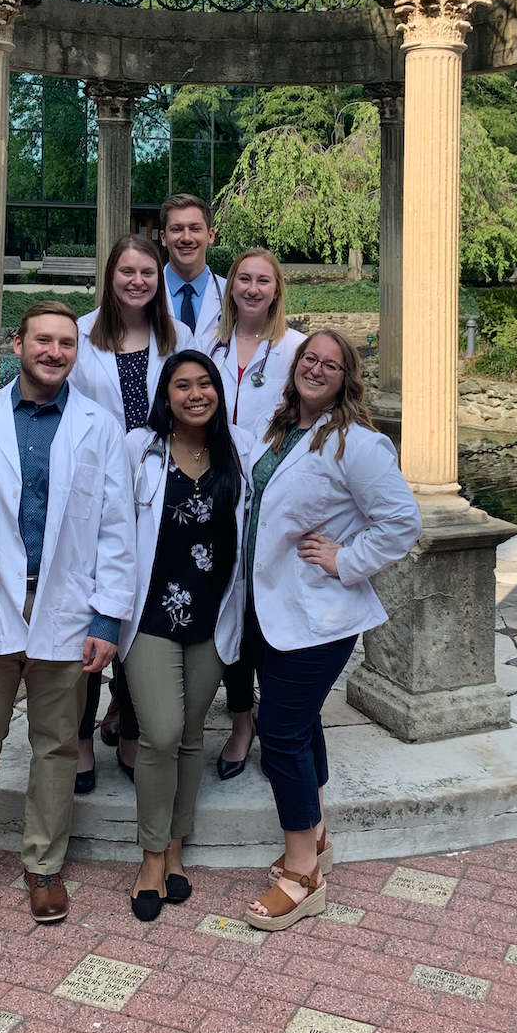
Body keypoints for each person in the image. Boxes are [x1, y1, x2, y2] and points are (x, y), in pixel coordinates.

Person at [0, 302, 134, 930]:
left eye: (67, 343)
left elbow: (119, 531)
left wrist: (105, 620)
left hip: (64, 609)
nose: (55, 352)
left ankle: (43, 865)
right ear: (18, 344)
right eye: (43, 340)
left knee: (57, 747)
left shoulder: (99, 427)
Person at [241, 331, 421, 932]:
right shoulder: (283, 429)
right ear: (295, 368)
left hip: (319, 614)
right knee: (303, 724)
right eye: (309, 359)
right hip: (276, 607)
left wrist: (344, 559)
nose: (316, 369)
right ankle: (315, 839)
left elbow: (401, 523)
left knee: (281, 733)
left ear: (347, 379)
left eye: (331, 364)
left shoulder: (359, 444)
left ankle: (302, 876)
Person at [120, 350, 251, 920]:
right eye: (182, 385)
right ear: (165, 395)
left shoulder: (239, 451)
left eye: (205, 384)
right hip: (149, 615)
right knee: (162, 731)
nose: (195, 394)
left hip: (212, 614)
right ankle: (151, 855)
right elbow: (109, 526)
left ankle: (177, 847)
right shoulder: (138, 449)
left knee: (193, 733)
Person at [68, 235, 193, 791]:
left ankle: (130, 721)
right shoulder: (82, 333)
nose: (138, 280)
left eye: (147, 271)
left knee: (142, 604)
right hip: (93, 486)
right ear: (110, 276)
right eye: (127, 271)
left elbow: (193, 403)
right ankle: (78, 737)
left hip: (157, 488)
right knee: (92, 603)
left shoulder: (178, 335)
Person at [202, 247, 305, 781]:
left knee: (269, 612)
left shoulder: (297, 350)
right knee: (231, 612)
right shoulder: (208, 344)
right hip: (219, 493)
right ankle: (241, 722)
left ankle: (281, 719)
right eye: (243, 278)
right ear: (231, 286)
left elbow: (317, 423)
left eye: (263, 280)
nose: (252, 288)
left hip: (274, 497)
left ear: (276, 290)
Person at [159, 193, 225, 342]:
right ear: (163, 238)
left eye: (195, 229)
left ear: (210, 236)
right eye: (177, 229)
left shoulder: (231, 296)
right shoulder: (144, 295)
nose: (187, 238)